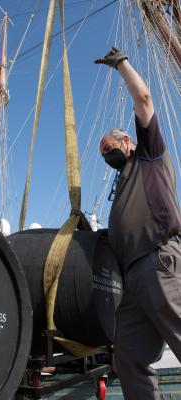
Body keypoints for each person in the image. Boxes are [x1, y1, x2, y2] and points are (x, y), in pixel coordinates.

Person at [94, 47, 181, 400]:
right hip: (133, 280)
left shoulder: (147, 154)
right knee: (129, 357)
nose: (107, 155)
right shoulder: (123, 181)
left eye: (109, 147)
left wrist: (122, 65)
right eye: (103, 155)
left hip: (159, 262)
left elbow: (144, 98)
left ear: (126, 141)